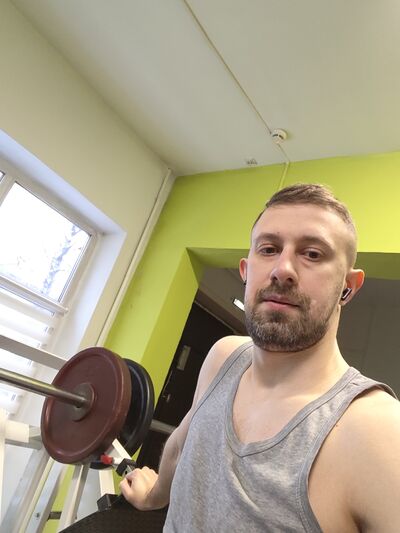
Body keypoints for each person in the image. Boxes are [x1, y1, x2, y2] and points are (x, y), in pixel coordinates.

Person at [120, 183, 400, 532]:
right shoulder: (224, 356)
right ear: (246, 270)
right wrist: (154, 496)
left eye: (313, 254)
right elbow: (183, 444)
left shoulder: (377, 431)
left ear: (349, 286)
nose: (282, 269)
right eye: (269, 249)